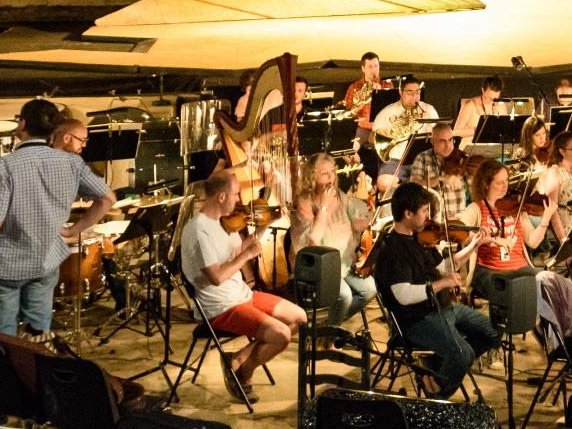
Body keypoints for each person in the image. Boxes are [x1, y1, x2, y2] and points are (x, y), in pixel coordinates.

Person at [0, 98, 115, 337]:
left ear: (22, 124)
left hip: (7, 265)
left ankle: (7, 372)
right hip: (46, 260)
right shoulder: (73, 163)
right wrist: (74, 230)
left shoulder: (5, 165)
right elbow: (107, 199)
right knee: (37, 333)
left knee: (3, 339)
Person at [180, 169, 308, 403]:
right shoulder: (199, 230)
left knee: (299, 317)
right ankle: (244, 372)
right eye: (236, 195)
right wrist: (245, 256)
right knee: (280, 334)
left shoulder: (223, 223)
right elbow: (216, 277)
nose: (239, 201)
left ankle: (237, 359)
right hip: (218, 306)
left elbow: (238, 251)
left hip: (241, 294)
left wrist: (265, 225)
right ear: (221, 197)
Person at [372, 181, 498, 398]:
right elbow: (403, 295)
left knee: (493, 331)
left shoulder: (418, 239)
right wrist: (443, 283)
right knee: (462, 354)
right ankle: (437, 396)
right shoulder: (394, 250)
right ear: (408, 213)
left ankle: (437, 371)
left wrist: (473, 246)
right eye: (423, 212)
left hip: (443, 308)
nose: (427, 217)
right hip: (417, 320)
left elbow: (443, 267)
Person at [292, 153, 377, 327]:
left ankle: (330, 325)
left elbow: (355, 223)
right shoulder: (304, 203)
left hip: (344, 262)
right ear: (312, 177)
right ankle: (330, 334)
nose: (331, 177)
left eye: (333, 171)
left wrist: (370, 219)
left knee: (370, 289)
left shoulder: (340, 196)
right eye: (325, 173)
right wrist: (323, 207)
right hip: (321, 267)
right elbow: (311, 244)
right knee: (344, 296)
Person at [456, 159, 551, 298]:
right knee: (514, 293)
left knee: (550, 285)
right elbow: (462, 233)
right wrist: (494, 239)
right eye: (499, 182)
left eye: (506, 180)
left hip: (520, 267)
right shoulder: (476, 209)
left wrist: (546, 220)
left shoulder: (515, 207)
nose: (505, 186)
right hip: (489, 270)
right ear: (486, 184)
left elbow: (533, 241)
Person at [371, 78, 438, 191]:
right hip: (396, 160)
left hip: (422, 160)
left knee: (436, 182)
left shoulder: (428, 109)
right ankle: (409, 189)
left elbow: (438, 136)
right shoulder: (387, 112)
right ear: (400, 92)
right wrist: (385, 134)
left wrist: (429, 124)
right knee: (383, 183)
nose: (414, 96)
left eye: (417, 92)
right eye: (410, 92)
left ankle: (410, 189)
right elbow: (372, 137)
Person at [408, 122, 471, 223]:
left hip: (458, 220)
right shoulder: (422, 157)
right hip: (431, 221)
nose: (448, 146)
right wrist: (440, 178)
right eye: (442, 141)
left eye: (450, 140)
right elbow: (414, 184)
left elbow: (475, 188)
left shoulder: (461, 159)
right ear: (432, 141)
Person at [537, 129, 572, 245]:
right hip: (571, 230)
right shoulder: (555, 172)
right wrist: (563, 240)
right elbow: (553, 211)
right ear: (562, 151)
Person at [454, 75, 502, 143]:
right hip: (470, 149)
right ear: (482, 90)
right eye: (488, 97)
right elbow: (455, 132)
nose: (491, 101)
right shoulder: (470, 105)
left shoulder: (500, 106)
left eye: (495, 99)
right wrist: (477, 130)